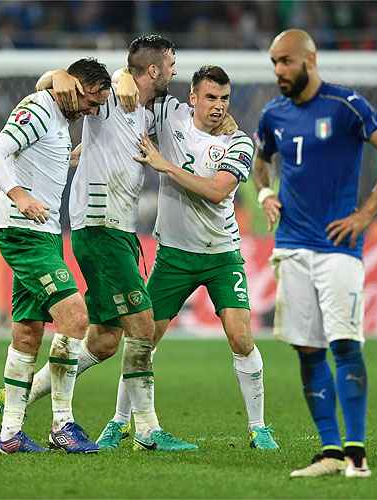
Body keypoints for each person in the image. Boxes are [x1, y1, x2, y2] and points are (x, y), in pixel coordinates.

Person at [19, 34, 197, 452]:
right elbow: (52, 87)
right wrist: (58, 74)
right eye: (170, 63)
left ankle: (19, 394)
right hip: (99, 227)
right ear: (153, 69)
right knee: (142, 323)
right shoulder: (110, 98)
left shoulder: (146, 111)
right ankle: (148, 431)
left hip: (117, 231)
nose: (174, 69)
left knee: (105, 339)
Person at [253, 29, 377, 478]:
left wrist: (366, 214)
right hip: (291, 247)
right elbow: (260, 159)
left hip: (338, 248)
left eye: (286, 61)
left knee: (344, 345)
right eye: (274, 63)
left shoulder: (347, 106)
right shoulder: (273, 113)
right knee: (307, 350)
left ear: (310, 58)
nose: (279, 71)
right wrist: (266, 191)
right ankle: (330, 452)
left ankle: (357, 455)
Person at [116, 65, 279, 451]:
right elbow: (133, 95)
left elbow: (217, 192)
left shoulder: (239, 144)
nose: (218, 106)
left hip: (221, 255)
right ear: (192, 98)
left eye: (224, 99)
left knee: (241, 337)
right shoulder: (169, 115)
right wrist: (123, 74)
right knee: (143, 340)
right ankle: (120, 422)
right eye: (210, 97)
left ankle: (258, 428)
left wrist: (164, 165)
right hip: (173, 255)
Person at [0, 57, 111, 454]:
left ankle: (10, 435)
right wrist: (19, 195)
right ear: (74, 87)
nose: (92, 111)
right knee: (75, 316)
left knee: (27, 333)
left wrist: (64, 160)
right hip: (25, 234)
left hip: (46, 235)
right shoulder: (40, 108)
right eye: (91, 101)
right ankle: (62, 424)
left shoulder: (56, 116)